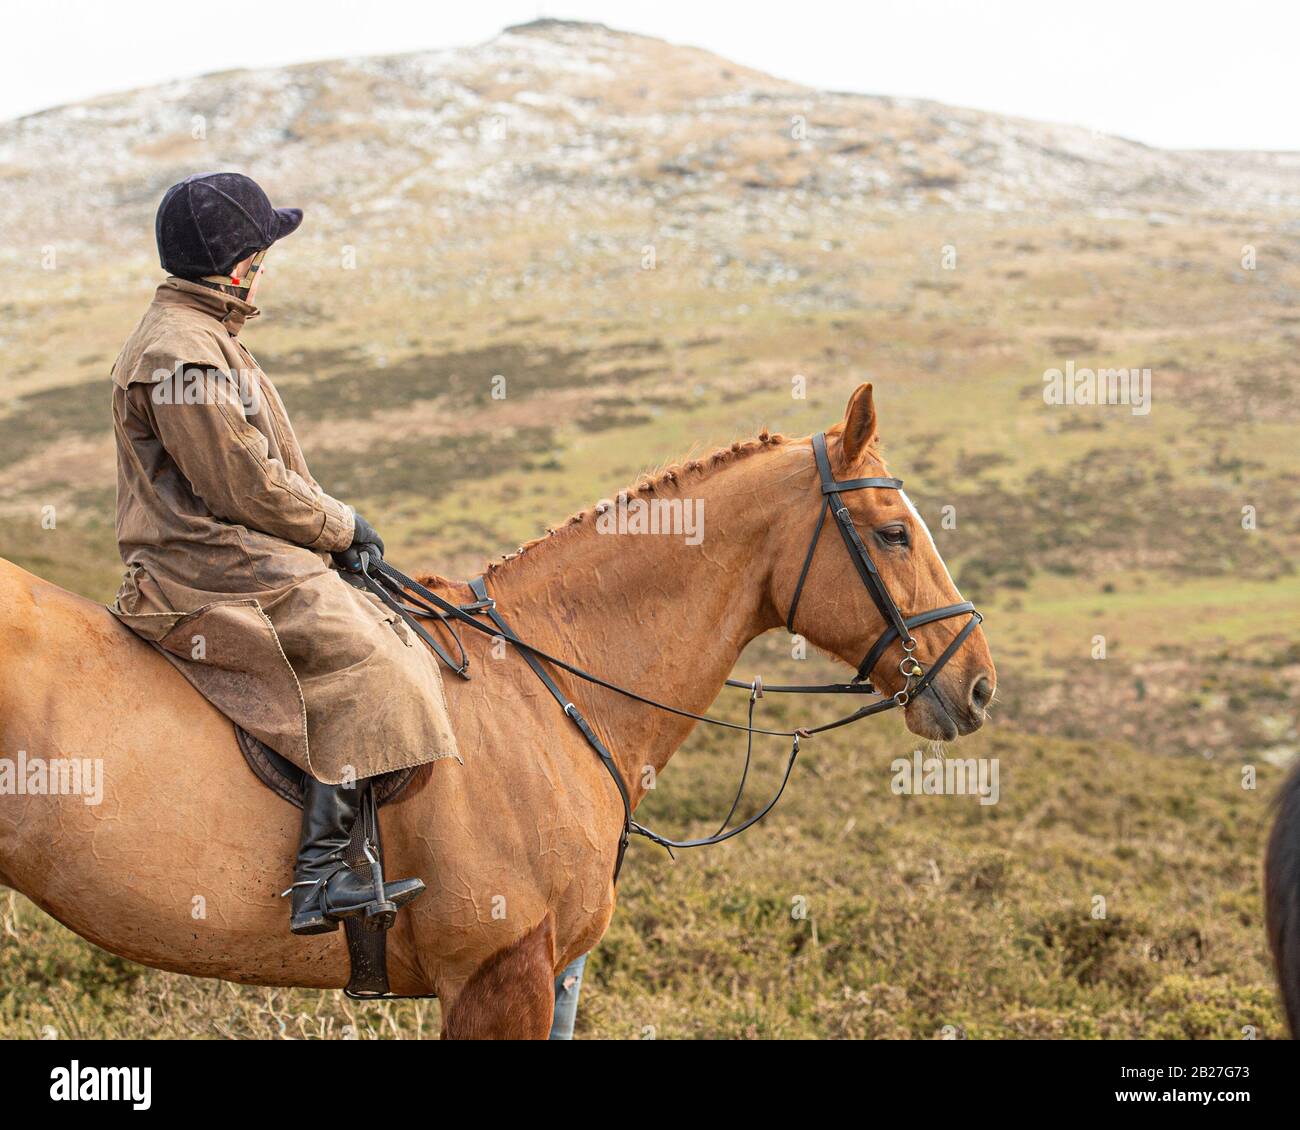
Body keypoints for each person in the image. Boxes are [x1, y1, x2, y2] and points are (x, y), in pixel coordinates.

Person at [108, 172, 459, 935]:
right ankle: (321, 873)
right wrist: (340, 527)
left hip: (229, 548)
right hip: (202, 562)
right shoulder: (184, 356)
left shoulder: (203, 333)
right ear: (238, 268)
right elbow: (244, 487)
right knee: (371, 659)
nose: (264, 269)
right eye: (262, 256)